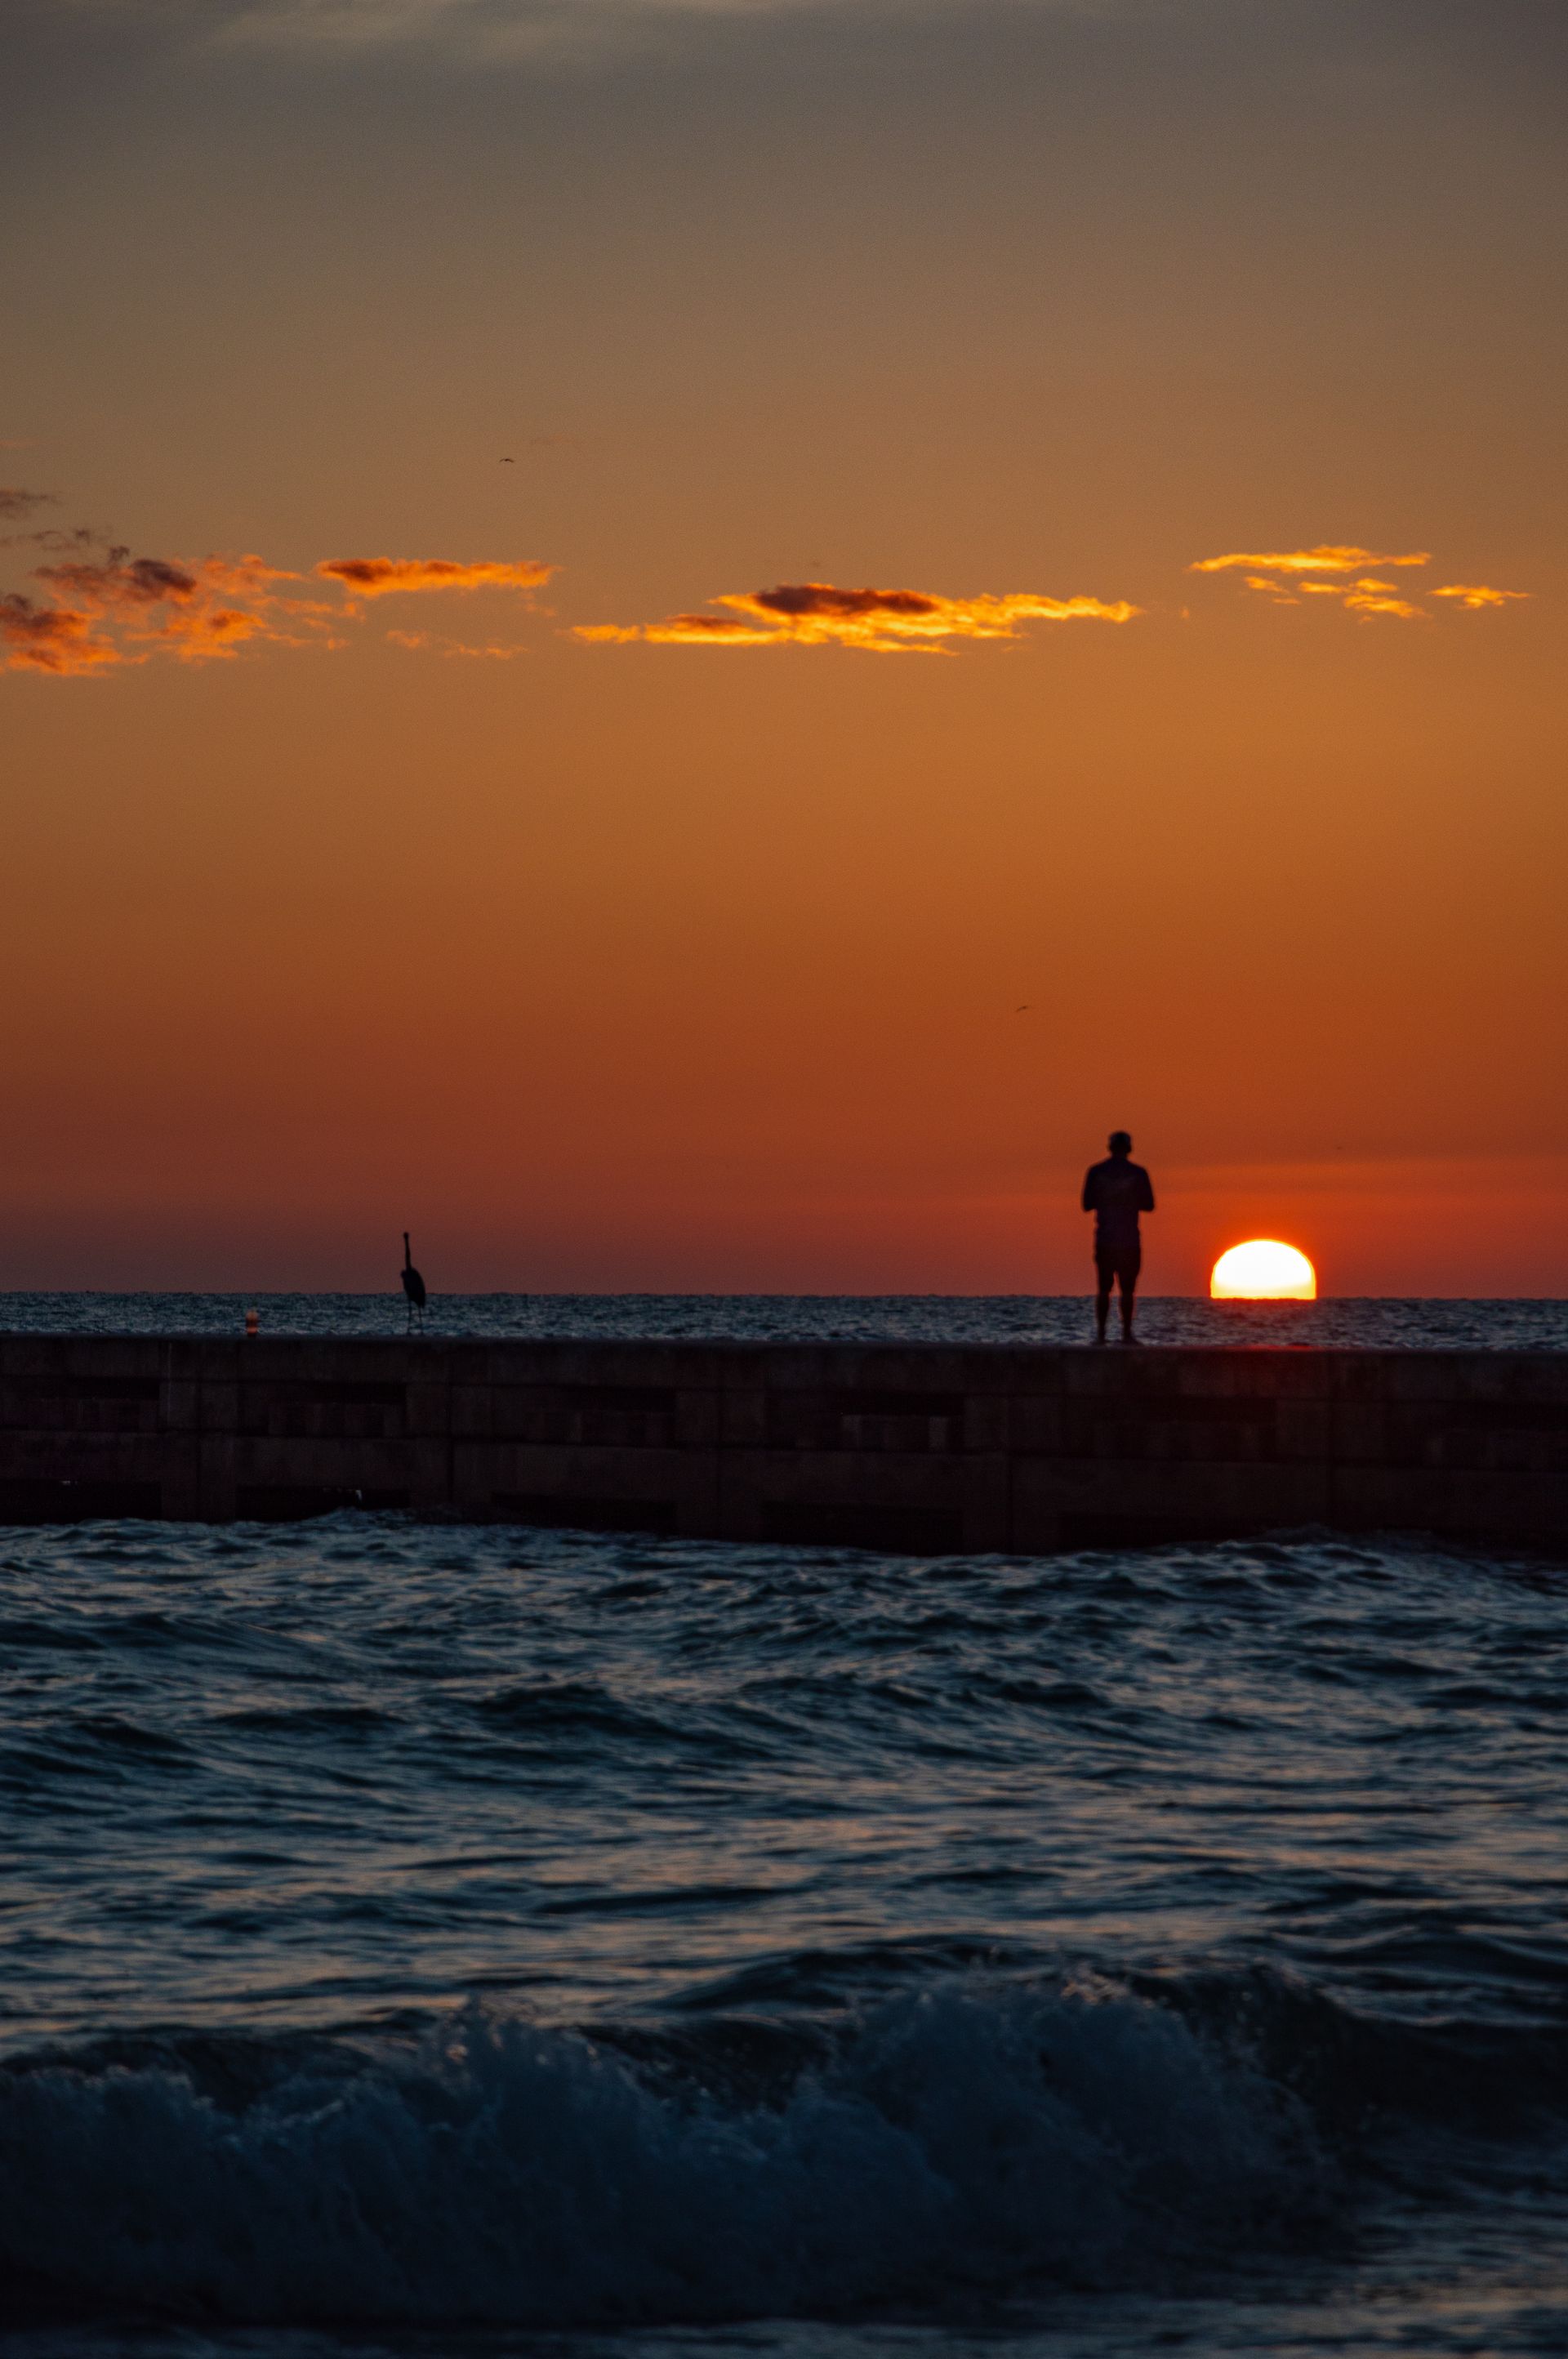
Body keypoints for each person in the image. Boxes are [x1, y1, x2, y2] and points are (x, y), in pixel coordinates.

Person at [1082, 1130, 1155, 1344]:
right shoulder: (1138, 1173)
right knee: (1127, 1290)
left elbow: (1086, 1204)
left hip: (1106, 1239)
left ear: (1110, 1148)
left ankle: (1102, 1336)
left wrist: (1108, 1197)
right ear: (1129, 1149)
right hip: (1128, 1240)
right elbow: (1149, 1205)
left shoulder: (1096, 1172)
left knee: (1103, 1290)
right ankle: (1126, 1334)